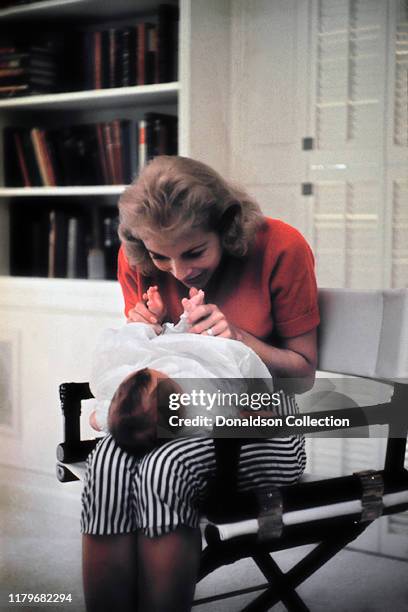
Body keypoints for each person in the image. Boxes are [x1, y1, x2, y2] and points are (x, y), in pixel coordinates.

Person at [81, 155, 319, 612]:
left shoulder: (281, 247)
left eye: (194, 252)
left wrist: (239, 339)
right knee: (108, 462)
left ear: (227, 228)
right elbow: (147, 367)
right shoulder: (137, 259)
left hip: (261, 425)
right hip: (170, 416)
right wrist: (142, 329)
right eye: (158, 255)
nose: (178, 271)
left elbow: (303, 374)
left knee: (163, 467)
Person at [88, 287, 281, 456]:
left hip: (167, 347)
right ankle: (195, 317)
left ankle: (164, 318)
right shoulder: (203, 413)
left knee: (134, 345)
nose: (144, 372)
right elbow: (248, 419)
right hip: (204, 360)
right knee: (213, 348)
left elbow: (94, 421)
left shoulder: (115, 410)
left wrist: (103, 419)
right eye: (149, 376)